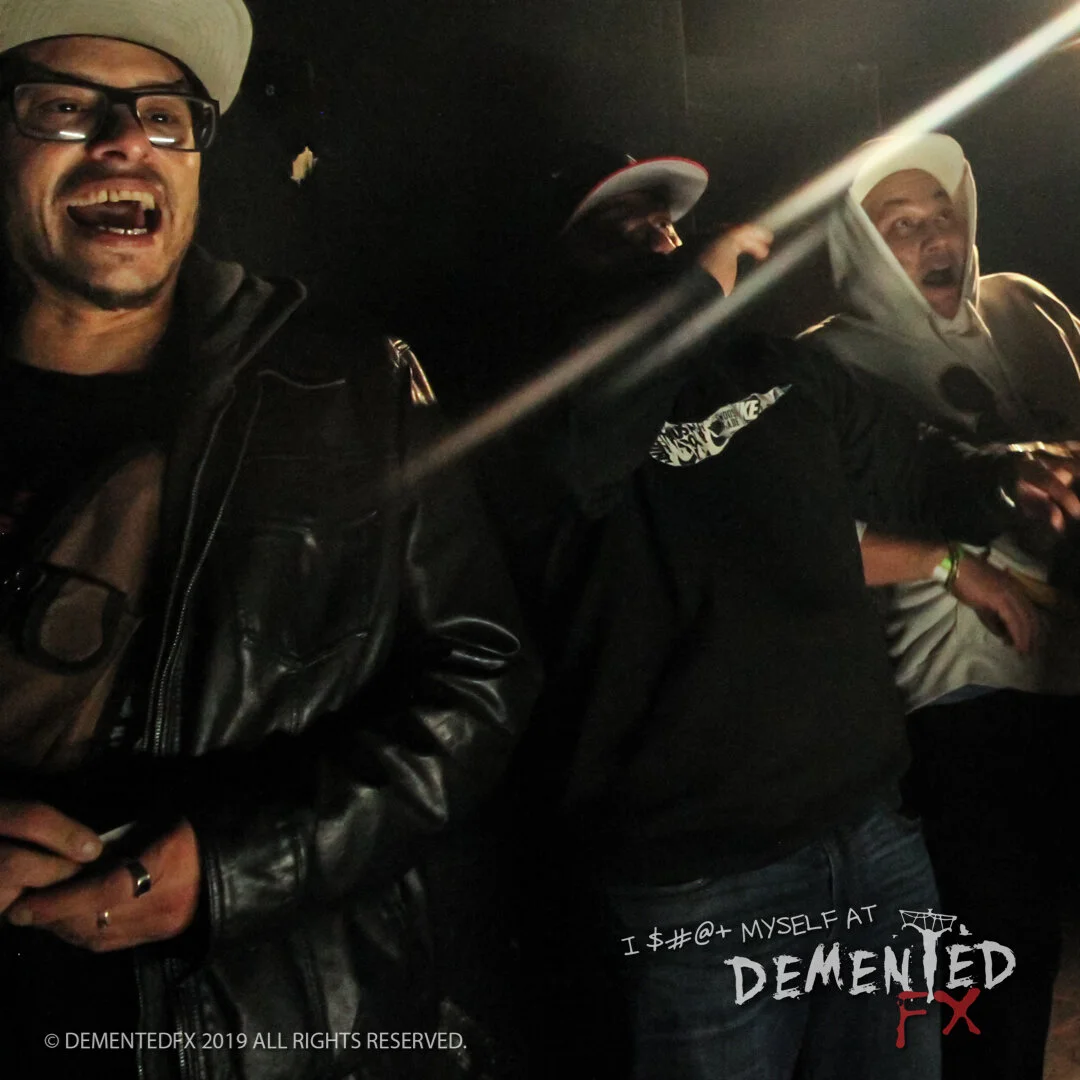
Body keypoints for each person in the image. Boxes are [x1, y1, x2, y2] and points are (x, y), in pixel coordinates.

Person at [438, 144, 1080, 1080]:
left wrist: (1007, 480)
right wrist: (691, 293)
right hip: (701, 877)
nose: (658, 237)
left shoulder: (776, 367)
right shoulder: (529, 413)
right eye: (617, 227)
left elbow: (912, 468)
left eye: (663, 220)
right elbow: (578, 454)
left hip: (868, 831)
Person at [0, 2, 538, 1078]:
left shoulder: (350, 387)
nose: (125, 141)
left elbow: (482, 678)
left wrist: (235, 871)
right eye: (65, 107)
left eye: (165, 115)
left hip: (278, 1029)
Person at [804, 132, 1080, 1080]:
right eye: (900, 223)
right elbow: (800, 536)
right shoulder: (828, 360)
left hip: (1065, 665)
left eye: (943, 214)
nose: (932, 238)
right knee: (989, 954)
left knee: (1040, 943)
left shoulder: (1025, 308)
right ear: (860, 242)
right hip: (956, 693)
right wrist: (952, 560)